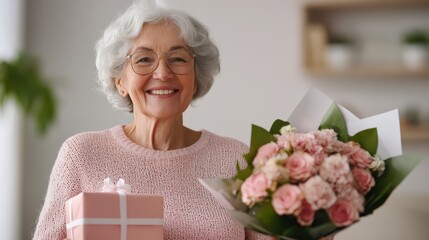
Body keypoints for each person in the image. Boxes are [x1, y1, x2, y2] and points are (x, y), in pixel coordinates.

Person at [32, 0, 274, 239]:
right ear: (120, 81)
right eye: (144, 59)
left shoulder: (236, 159)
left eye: (177, 59)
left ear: (196, 77)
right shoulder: (81, 154)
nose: (162, 73)